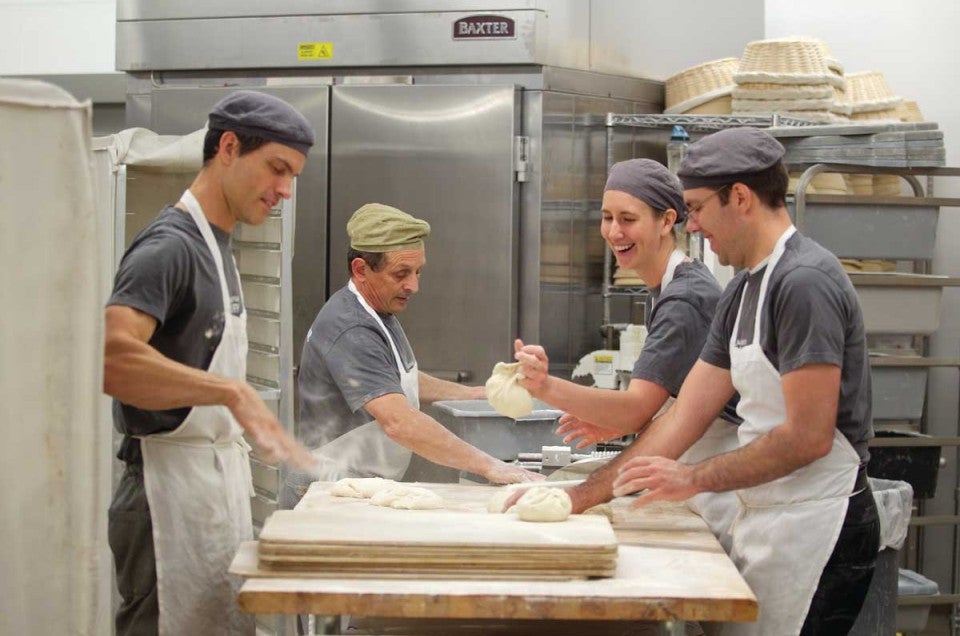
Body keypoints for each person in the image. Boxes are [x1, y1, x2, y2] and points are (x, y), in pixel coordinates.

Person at [611, 127, 879, 635]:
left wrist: (693, 478)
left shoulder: (803, 283)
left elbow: (807, 437)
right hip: (771, 515)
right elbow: (686, 414)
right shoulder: (744, 287)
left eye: (697, 208)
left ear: (739, 197)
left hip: (817, 524)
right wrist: (587, 495)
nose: (691, 225)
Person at [103, 90, 321, 636]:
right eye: (277, 169)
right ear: (228, 147)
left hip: (207, 491)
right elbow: (113, 359)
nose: (284, 191)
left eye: (292, 176)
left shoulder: (217, 245)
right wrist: (231, 392)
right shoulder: (169, 247)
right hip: (163, 498)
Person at [511, 159, 742, 553]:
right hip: (700, 462)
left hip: (724, 476)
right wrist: (617, 422)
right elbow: (669, 404)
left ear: (667, 221)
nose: (614, 231)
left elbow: (635, 408)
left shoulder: (685, 299)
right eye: (607, 217)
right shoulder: (670, 288)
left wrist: (545, 387)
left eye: (628, 219)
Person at [281, 203, 541, 508]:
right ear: (361, 269)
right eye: (401, 273)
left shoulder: (377, 310)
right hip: (326, 488)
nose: (414, 285)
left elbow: (395, 379)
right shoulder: (351, 327)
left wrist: (474, 393)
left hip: (355, 482)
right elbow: (399, 421)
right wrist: (491, 465)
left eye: (418, 272)